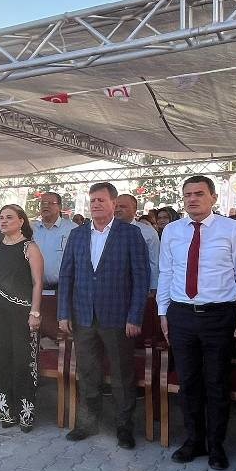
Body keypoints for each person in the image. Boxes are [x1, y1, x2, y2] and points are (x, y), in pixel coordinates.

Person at [157, 176, 236, 471]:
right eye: (187, 194)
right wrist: (163, 311)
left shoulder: (233, 229)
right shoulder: (172, 230)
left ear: (213, 197)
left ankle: (216, 445)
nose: (192, 199)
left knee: (216, 382)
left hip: (219, 316)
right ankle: (194, 440)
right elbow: (166, 272)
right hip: (181, 314)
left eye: (199, 194)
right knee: (188, 382)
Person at [58, 183, 150, 447]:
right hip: (83, 316)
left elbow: (141, 278)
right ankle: (89, 423)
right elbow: (66, 275)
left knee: (122, 375)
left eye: (101, 200)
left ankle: (124, 427)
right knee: (88, 372)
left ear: (113, 203)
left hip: (118, 318)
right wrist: (64, 313)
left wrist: (135, 316)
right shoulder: (77, 235)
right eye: (92, 200)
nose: (96, 204)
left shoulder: (130, 233)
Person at [0, 205, 44, 432]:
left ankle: (26, 413)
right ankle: (5, 411)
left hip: (22, 315)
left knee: (23, 362)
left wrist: (35, 312)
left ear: (21, 221)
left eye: (9, 217)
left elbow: (38, 283)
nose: (4, 221)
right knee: (0, 362)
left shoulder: (30, 248)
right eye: (1, 217)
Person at [32, 192, 78, 290]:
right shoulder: (32, 229)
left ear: (60, 207)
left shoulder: (72, 229)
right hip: (34, 287)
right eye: (43, 203)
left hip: (63, 288)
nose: (46, 206)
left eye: (50, 203)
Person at [115, 194, 159, 293]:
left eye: (122, 206)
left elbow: (154, 262)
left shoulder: (148, 232)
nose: (117, 209)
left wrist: (153, 287)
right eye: (115, 206)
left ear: (135, 209)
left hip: (139, 288)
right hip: (112, 288)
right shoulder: (105, 231)